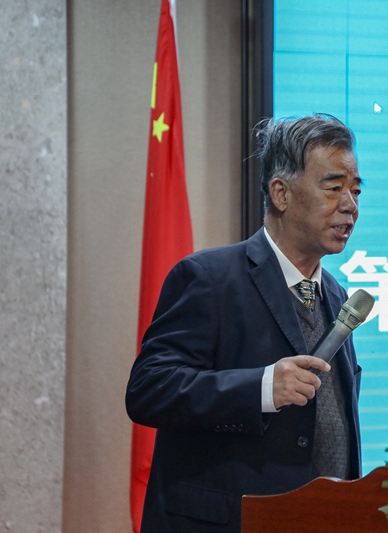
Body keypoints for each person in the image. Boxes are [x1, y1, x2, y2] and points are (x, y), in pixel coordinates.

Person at [126, 114, 363, 532]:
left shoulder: (336, 296)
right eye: (333, 188)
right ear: (281, 193)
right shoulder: (209, 278)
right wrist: (261, 388)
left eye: (356, 190)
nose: (350, 205)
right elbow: (149, 389)